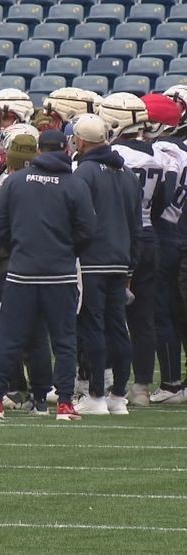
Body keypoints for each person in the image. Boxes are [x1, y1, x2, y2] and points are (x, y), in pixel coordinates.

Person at [0, 130, 96, 421]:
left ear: (39, 150)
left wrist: (18, 248)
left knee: (9, 338)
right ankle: (65, 403)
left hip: (22, 272)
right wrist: (66, 251)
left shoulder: (15, 182)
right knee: (64, 340)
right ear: (65, 149)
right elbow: (87, 231)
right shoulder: (75, 184)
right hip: (61, 273)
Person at [67, 114, 142, 416]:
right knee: (118, 329)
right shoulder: (127, 174)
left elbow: (76, 219)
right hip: (120, 260)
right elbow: (137, 226)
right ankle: (118, 394)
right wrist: (131, 266)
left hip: (92, 261)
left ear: (81, 140)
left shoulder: (83, 172)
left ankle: (96, 394)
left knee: (92, 328)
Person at [101, 93, 170, 406]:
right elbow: (162, 203)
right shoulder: (155, 154)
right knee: (143, 316)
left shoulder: (114, 154)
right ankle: (140, 386)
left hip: (117, 237)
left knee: (108, 315)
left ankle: (108, 383)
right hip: (148, 236)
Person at [141, 93, 187, 404]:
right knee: (176, 311)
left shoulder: (161, 151)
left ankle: (171, 383)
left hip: (161, 234)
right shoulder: (181, 150)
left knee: (161, 312)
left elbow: (161, 197)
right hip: (177, 233)